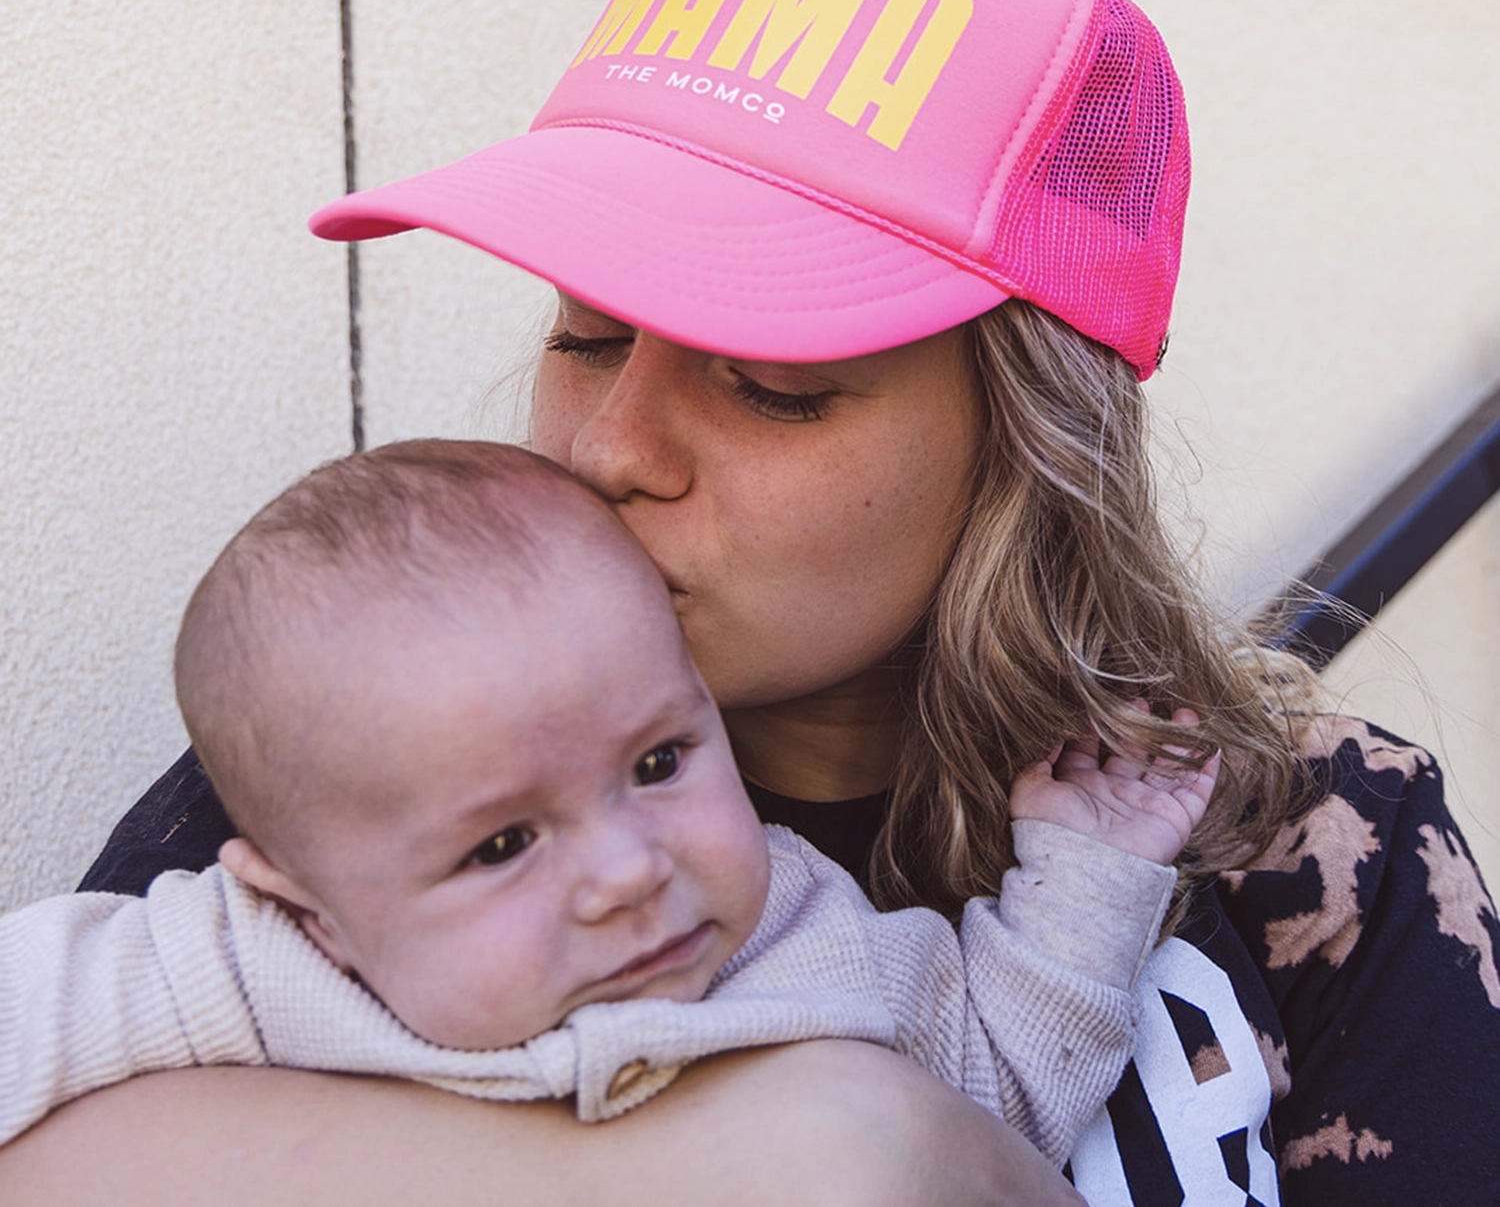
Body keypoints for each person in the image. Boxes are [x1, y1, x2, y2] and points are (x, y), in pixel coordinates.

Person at [9, 0, 1498, 1204]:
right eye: (587, 335)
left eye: (773, 385)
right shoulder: (389, 759)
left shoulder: (1313, 847)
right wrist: (829, 1150)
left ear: (1029, 446)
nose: (612, 446)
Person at [0, 438, 1214, 1161]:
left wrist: (1086, 871)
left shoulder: (817, 949)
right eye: (503, 844)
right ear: (310, 904)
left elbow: (1008, 1091)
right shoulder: (247, 967)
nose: (633, 870)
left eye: (658, 764)